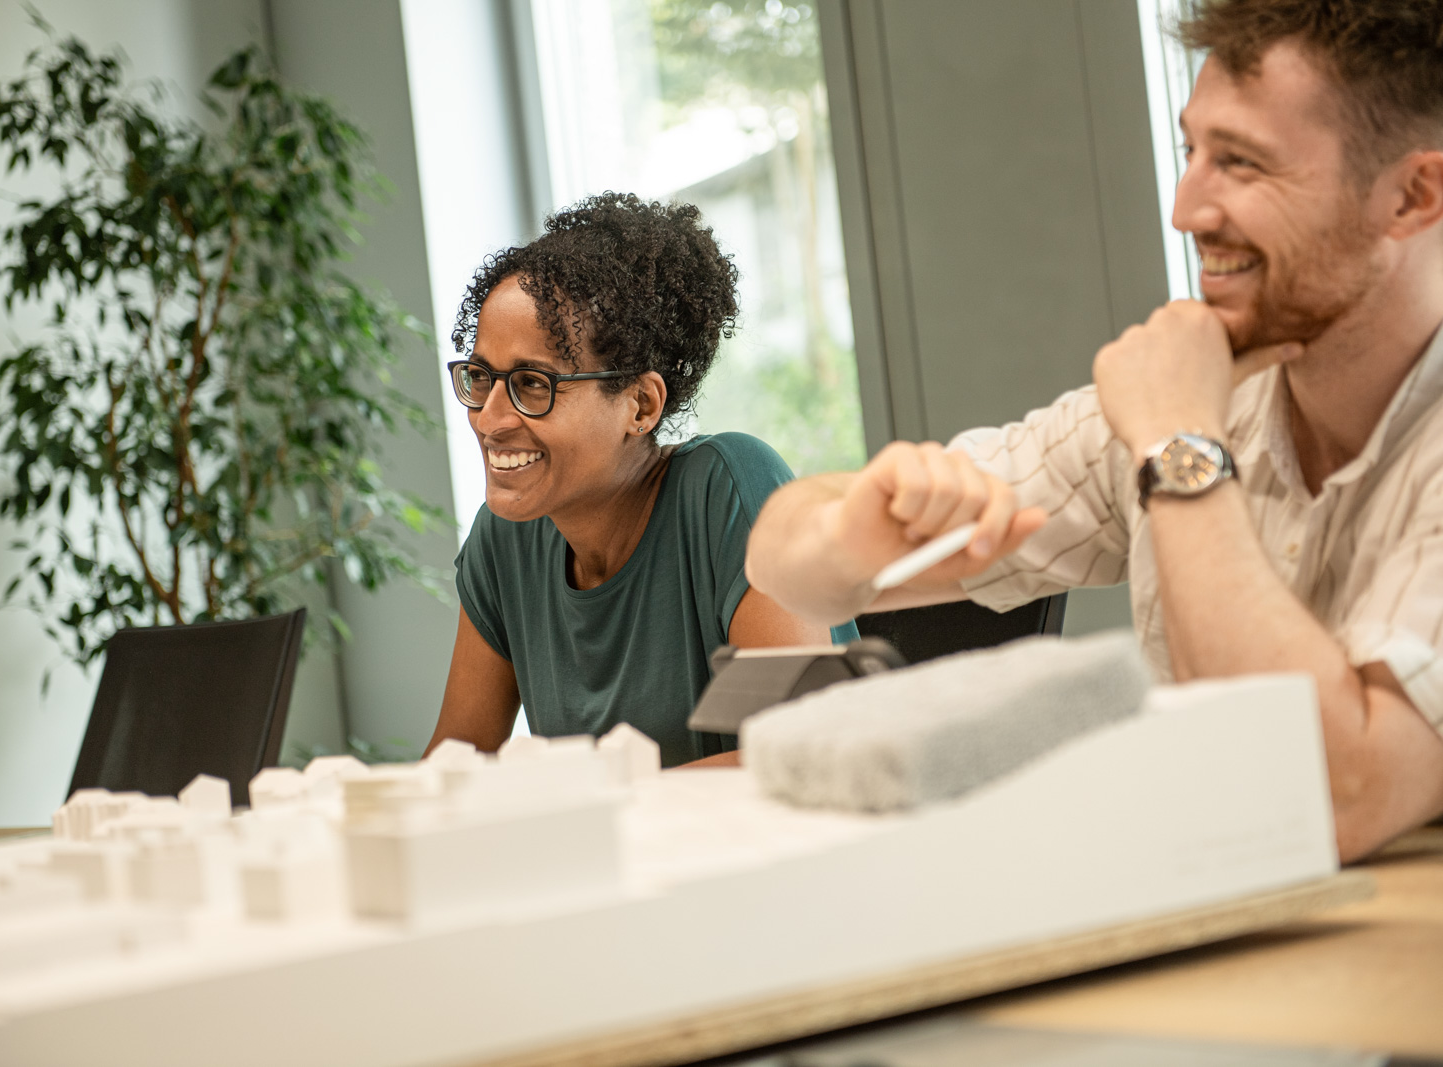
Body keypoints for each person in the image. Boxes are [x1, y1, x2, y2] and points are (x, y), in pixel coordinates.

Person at [745, 0, 1443, 861]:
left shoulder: (1172, 414)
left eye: (1244, 164)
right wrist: (848, 541)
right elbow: (784, 556)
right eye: (1193, 151)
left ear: (1413, 195)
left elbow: (1332, 795)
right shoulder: (1188, 394)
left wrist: (1179, 447)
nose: (1188, 207)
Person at [427, 193, 857, 768]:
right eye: (481, 378)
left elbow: (797, 753)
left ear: (640, 404)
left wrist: (571, 805)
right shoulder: (505, 539)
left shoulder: (730, 489)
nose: (490, 418)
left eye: (533, 384)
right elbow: (452, 770)